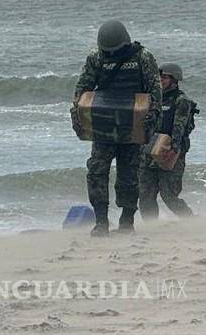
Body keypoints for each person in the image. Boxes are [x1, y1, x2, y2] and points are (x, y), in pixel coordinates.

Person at [73, 20, 161, 237]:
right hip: (103, 126)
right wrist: (77, 115)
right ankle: (101, 221)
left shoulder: (142, 57)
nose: (111, 53)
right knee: (96, 170)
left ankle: (127, 220)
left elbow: (155, 89)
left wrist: (152, 117)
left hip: (133, 124)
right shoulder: (96, 57)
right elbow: (83, 88)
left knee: (129, 174)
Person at [139, 63, 197, 220]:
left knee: (169, 195)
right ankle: (151, 226)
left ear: (174, 79)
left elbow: (180, 127)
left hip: (170, 151)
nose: (160, 80)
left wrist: (174, 149)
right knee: (145, 195)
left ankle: (191, 221)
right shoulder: (153, 99)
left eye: (164, 77)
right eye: (159, 77)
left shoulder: (181, 100)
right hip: (149, 151)